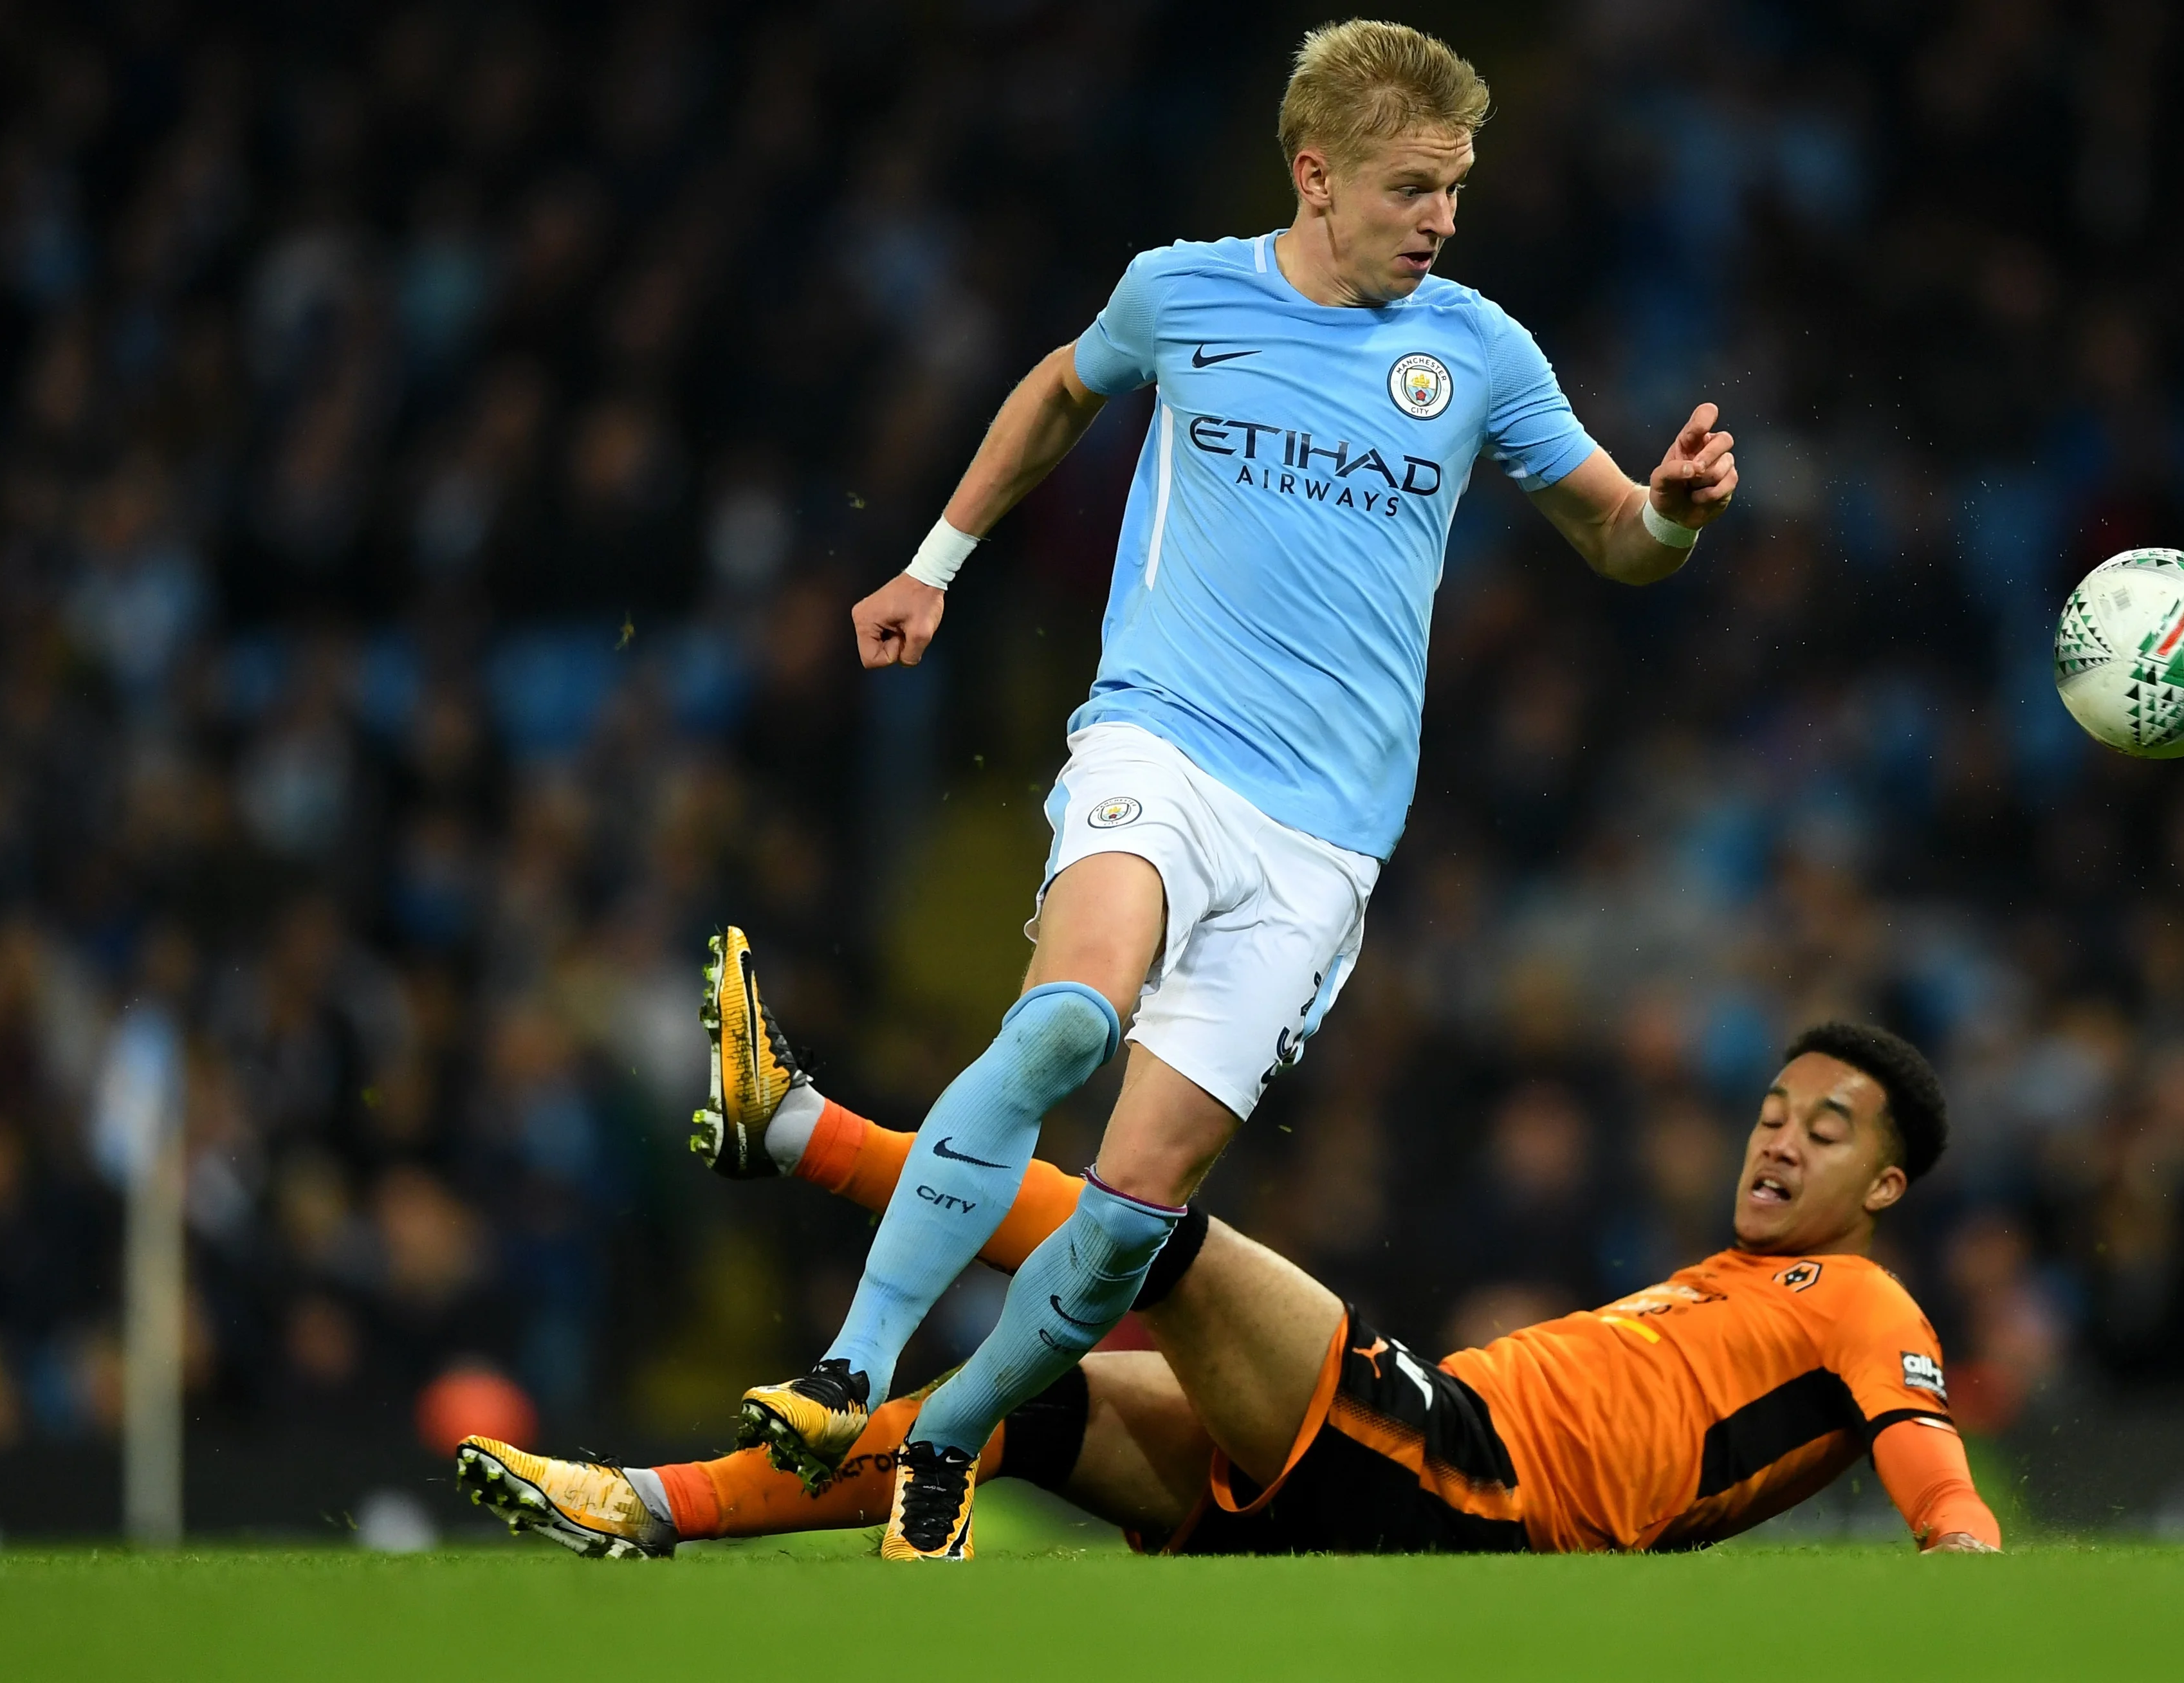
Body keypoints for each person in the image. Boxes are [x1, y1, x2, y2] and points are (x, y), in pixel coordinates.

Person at [692, 21, 1739, 1560]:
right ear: (1316, 176)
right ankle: (850, 1369)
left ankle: (955, 1431)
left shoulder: (1481, 352)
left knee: (1133, 1209)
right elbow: (1059, 391)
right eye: (1412, 188)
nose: (1443, 219)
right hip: (1162, 744)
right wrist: (934, 564)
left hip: (1324, 844)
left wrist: (1674, 513)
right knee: (1066, 1023)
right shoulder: (1182, 291)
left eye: (1455, 189)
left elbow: (1615, 535)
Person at [459, 972, 2001, 1560]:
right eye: (1774, 1109)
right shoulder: (1725, 1279)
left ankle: (802, 1131)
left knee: (1155, 1234)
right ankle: (649, 1505)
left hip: (1476, 1483)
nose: (1780, 1139)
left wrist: (1961, 1548)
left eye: (1827, 1130)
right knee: (1022, 1413)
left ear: (1887, 1185)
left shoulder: (1866, 1302)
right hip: (1413, 1480)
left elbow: (1929, 1460)